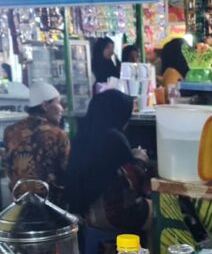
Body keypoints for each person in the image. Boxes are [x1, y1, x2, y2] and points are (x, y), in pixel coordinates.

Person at [63, 89, 150, 234]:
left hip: (83, 212)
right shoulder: (114, 138)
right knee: (159, 212)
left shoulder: (82, 135)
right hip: (109, 214)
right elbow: (132, 183)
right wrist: (141, 160)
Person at [2, 81, 70, 205]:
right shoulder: (57, 134)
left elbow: (8, 166)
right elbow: (67, 171)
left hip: (19, 202)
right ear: (45, 106)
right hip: (51, 204)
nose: (62, 108)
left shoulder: (10, 131)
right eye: (58, 103)